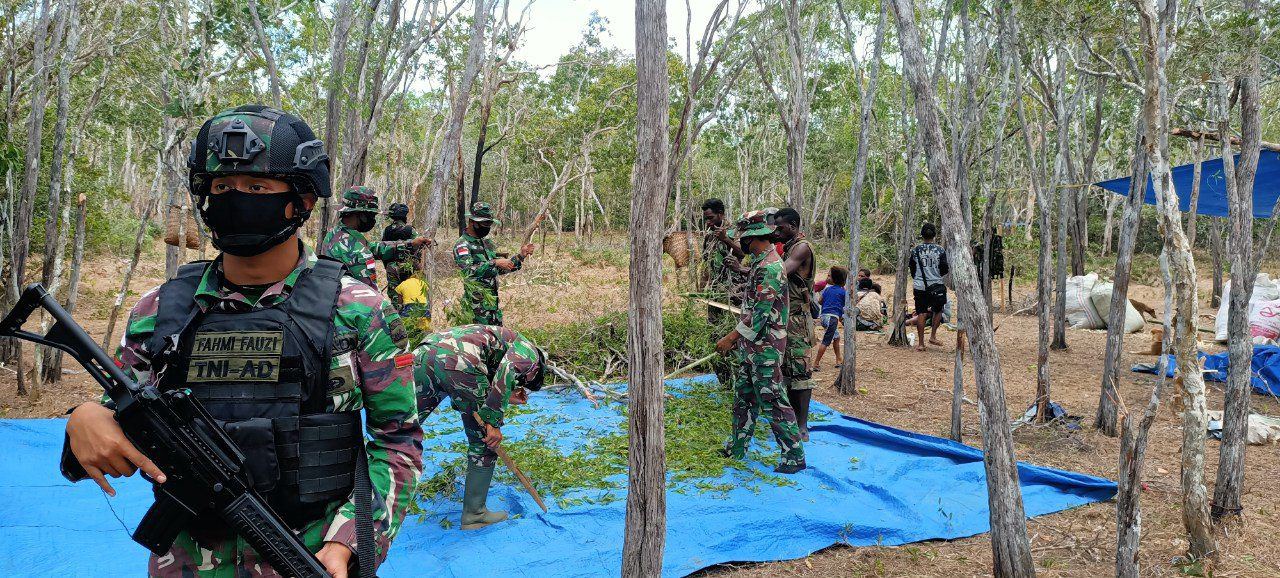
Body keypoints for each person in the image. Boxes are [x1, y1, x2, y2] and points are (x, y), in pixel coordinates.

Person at [62, 105, 424, 577]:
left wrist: (347, 543)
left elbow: (399, 442)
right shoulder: (161, 310)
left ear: (304, 199)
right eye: (221, 188)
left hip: (311, 556)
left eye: (256, 188)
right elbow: (115, 409)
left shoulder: (358, 309)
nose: (235, 199)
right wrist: (83, 419)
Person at [412, 324, 547, 529]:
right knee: (485, 442)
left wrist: (505, 392)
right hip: (461, 362)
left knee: (401, 429)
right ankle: (475, 515)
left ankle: (365, 498)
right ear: (534, 373)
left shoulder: (504, 340)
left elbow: (486, 376)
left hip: (424, 354)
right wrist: (492, 422)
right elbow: (507, 369)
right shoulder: (530, 355)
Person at [715, 210, 806, 474]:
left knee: (773, 399)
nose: (741, 243)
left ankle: (794, 455)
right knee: (743, 397)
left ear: (753, 238)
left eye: (743, 239)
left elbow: (759, 314)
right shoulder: (759, 262)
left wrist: (730, 338)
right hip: (751, 346)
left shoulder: (770, 267)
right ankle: (738, 446)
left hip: (765, 347)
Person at [319, 186, 432, 288]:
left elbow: (372, 247)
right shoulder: (358, 253)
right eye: (371, 215)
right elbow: (368, 298)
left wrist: (410, 244)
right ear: (361, 214)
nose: (373, 220)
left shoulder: (336, 233)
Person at [772, 207, 815, 439]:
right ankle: (791, 420)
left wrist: (749, 271)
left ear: (793, 226)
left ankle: (802, 425)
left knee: (801, 372)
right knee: (787, 369)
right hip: (786, 316)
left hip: (797, 318)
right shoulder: (788, 246)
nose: (777, 231)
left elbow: (781, 273)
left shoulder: (801, 247)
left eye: (780, 227)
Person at [455, 201, 535, 326]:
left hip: (492, 306)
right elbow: (468, 272)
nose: (487, 227)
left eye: (489, 224)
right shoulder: (462, 244)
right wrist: (495, 262)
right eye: (484, 223)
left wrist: (520, 256)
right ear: (472, 222)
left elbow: (498, 269)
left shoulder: (487, 243)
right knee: (478, 343)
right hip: (475, 309)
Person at [700, 198, 746, 324]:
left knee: (730, 324)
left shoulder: (735, 231)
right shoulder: (709, 235)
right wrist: (702, 286)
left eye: (711, 218)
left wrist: (725, 239)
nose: (708, 222)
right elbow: (706, 262)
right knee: (713, 325)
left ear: (720, 214)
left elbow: (742, 254)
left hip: (733, 290)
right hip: (714, 289)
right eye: (706, 219)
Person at [909, 222, 949, 351]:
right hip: (936, 285)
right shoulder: (940, 250)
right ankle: (933, 336)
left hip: (919, 286)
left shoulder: (915, 250)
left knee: (921, 312)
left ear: (922, 235)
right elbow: (944, 268)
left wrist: (918, 278)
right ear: (935, 235)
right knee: (938, 310)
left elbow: (912, 268)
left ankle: (921, 343)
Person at [381, 201, 421, 307]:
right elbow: (419, 249)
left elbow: (383, 250)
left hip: (392, 267)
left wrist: (388, 266)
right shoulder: (411, 230)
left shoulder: (386, 231)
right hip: (410, 267)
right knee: (412, 293)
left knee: (395, 296)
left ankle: (397, 317)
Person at [812, 266, 848, 372]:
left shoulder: (827, 289)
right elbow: (846, 306)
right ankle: (816, 363)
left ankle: (838, 359)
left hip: (823, 317)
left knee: (836, 338)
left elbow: (820, 301)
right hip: (832, 319)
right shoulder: (843, 293)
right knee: (826, 341)